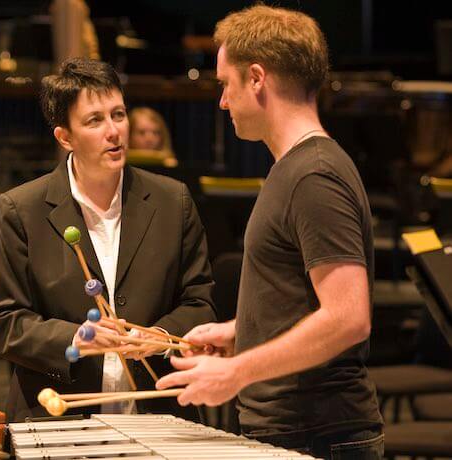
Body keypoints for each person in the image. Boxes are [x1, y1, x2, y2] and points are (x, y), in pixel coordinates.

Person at [156, 5, 384, 459]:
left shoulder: (314, 176)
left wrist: (238, 371)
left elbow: (348, 317)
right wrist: (244, 332)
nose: (222, 102)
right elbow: (304, 303)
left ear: (257, 78)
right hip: (299, 432)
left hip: (318, 435)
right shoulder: (296, 169)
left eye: (226, 84)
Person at [0, 57, 215, 422]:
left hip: (158, 414)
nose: (114, 130)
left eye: (118, 115)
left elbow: (200, 303)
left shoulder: (173, 201)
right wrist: (74, 339)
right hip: (57, 417)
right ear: (65, 137)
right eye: (95, 120)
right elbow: (0, 319)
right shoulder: (21, 209)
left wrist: (162, 336)